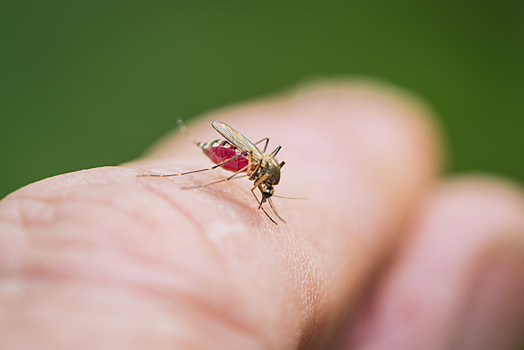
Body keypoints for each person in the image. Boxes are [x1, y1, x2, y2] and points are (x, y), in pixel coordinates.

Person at [1, 81, 523, 349]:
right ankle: (178, 176)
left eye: (266, 187)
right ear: (265, 176)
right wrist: (234, 166)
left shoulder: (265, 176)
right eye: (266, 186)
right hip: (231, 151)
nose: (265, 191)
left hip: (242, 152)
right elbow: (254, 166)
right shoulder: (255, 168)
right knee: (222, 174)